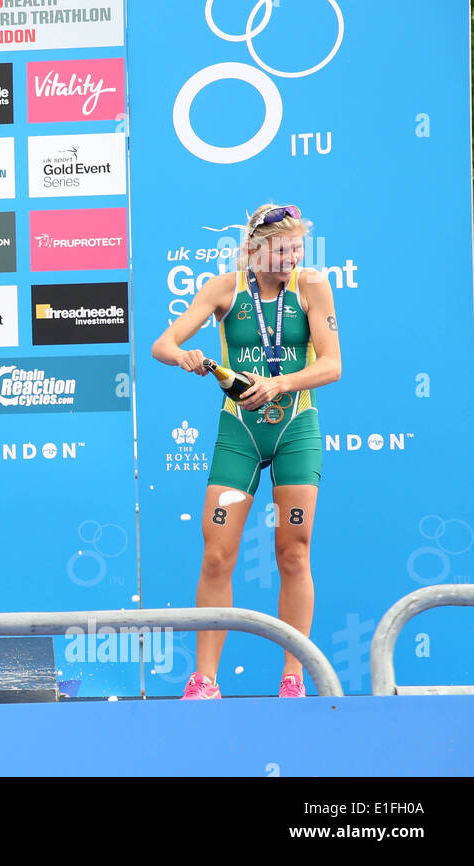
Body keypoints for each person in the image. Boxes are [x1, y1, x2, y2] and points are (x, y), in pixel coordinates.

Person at [151, 203, 341, 698]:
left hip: (295, 429)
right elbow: (162, 344)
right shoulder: (223, 289)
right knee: (216, 555)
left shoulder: (313, 286)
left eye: (297, 249)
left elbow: (332, 364)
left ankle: (293, 678)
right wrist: (184, 356)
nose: (290, 259)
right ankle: (204, 680)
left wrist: (280, 384)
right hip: (239, 433)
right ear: (254, 249)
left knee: (293, 554)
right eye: (281, 251)